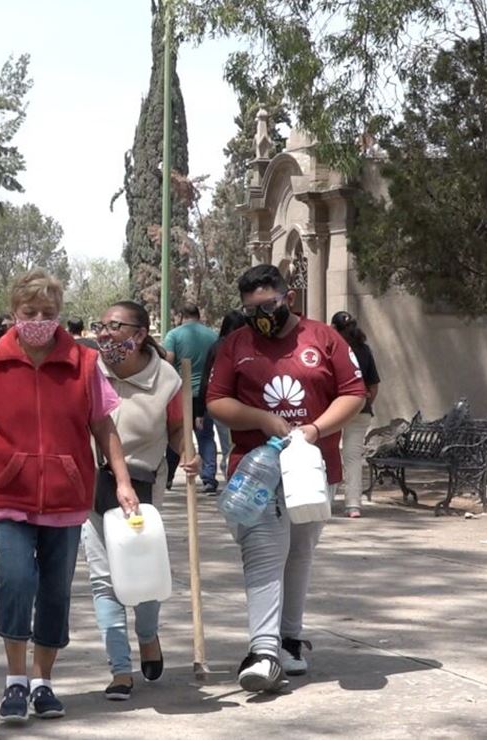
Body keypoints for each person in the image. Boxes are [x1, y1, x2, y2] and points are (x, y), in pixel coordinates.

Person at [0, 269, 135, 724]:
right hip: (9, 495)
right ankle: (15, 680)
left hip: (67, 497)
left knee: (54, 593)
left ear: (60, 315)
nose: (38, 319)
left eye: (48, 313)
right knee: (16, 582)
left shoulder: (84, 363)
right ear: (14, 313)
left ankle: (43, 682)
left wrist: (124, 481)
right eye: (29, 312)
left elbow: (103, 427)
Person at [206, 265, 365, 693]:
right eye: (251, 309)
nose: (261, 316)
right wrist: (260, 419)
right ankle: (263, 652)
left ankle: (290, 639)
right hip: (255, 469)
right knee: (262, 554)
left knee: (299, 553)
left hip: (311, 469)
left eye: (269, 306)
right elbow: (216, 400)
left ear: (288, 298)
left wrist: (314, 430)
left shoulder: (324, 338)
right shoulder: (236, 344)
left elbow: (353, 392)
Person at [84, 302, 199, 700]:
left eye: (116, 327)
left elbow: (177, 428)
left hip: (145, 485)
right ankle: (119, 668)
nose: (107, 335)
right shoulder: (88, 370)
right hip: (93, 485)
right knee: (104, 580)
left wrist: (188, 452)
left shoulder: (166, 379)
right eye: (102, 326)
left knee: (143, 573)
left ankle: (148, 635)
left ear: (140, 331)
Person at [164, 305, 222, 493]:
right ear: (198, 316)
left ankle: (168, 478)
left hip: (181, 393)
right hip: (206, 394)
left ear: (182, 316)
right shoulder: (212, 336)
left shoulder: (174, 335)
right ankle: (209, 479)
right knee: (206, 436)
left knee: (176, 433)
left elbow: (169, 361)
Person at [331, 311, 381, 518]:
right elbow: (374, 385)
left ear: (334, 329)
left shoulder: (331, 350)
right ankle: (353, 505)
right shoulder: (364, 350)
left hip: (333, 408)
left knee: (329, 453)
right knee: (353, 457)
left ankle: (325, 499)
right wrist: (366, 403)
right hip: (360, 409)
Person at [199, 310, 248, 482]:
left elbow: (207, 377)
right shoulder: (243, 346)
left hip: (222, 403)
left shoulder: (218, 346)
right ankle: (232, 473)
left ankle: (230, 472)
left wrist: (200, 409)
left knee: (227, 443)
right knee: (235, 444)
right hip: (240, 403)